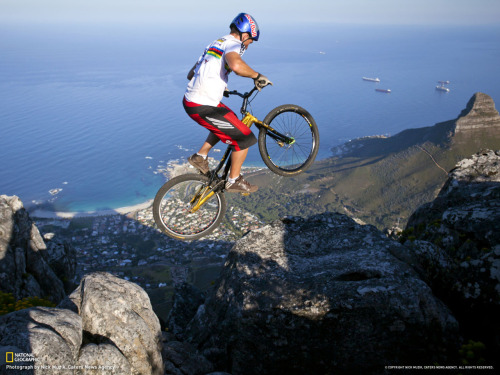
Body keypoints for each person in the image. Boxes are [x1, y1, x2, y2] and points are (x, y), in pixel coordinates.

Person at [183, 13, 272, 194]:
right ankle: (233, 180)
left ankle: (200, 156)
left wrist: (217, 84)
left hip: (196, 100)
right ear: (245, 34)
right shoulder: (234, 44)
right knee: (245, 138)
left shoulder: (216, 43)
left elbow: (192, 73)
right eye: (250, 41)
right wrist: (258, 76)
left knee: (229, 119)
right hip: (201, 105)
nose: (248, 45)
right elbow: (237, 66)